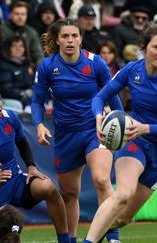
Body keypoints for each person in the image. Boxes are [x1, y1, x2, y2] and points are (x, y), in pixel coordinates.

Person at [83, 24, 157, 243]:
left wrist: (148, 128)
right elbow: (99, 97)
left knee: (124, 218)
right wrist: (98, 116)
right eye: (156, 47)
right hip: (134, 139)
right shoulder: (132, 70)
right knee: (123, 193)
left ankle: (104, 235)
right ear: (143, 47)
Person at [31, 19, 123, 243]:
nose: (70, 40)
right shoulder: (47, 66)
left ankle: (113, 237)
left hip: (95, 129)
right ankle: (70, 239)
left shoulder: (96, 63)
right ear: (57, 39)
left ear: (81, 38)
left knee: (102, 180)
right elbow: (36, 101)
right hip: (65, 135)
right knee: (70, 194)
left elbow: (112, 94)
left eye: (74, 36)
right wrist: (39, 124)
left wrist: (122, 122)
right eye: (65, 36)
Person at [0, 85, 70, 243]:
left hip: (15, 181)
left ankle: (66, 241)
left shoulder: (10, 118)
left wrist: (31, 166)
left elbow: (22, 142)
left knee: (49, 187)